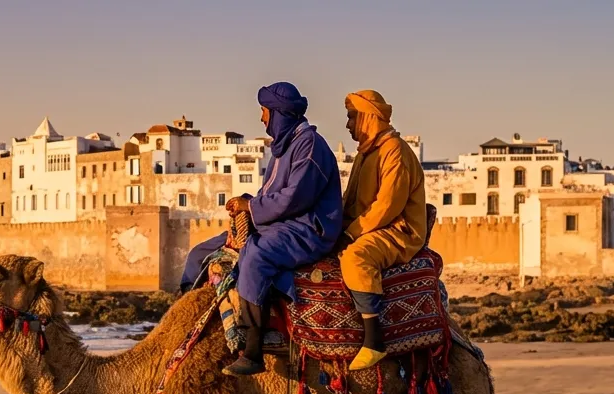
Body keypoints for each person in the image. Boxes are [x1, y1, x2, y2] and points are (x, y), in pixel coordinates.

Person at [177, 82, 342, 376]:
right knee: (206, 250)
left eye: (264, 112)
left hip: (307, 228)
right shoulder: (284, 146)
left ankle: (252, 348)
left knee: (256, 254)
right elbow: (272, 196)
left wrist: (251, 209)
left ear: (278, 114)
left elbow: (296, 197)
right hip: (280, 221)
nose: (262, 119)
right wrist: (247, 209)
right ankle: (185, 317)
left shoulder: (310, 145)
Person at [337, 90, 427, 370]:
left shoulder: (394, 152)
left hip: (397, 230)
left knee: (356, 257)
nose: (349, 125)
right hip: (369, 225)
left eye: (352, 117)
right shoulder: (367, 153)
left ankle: (374, 340)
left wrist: (352, 233)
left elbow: (387, 204)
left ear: (367, 118)